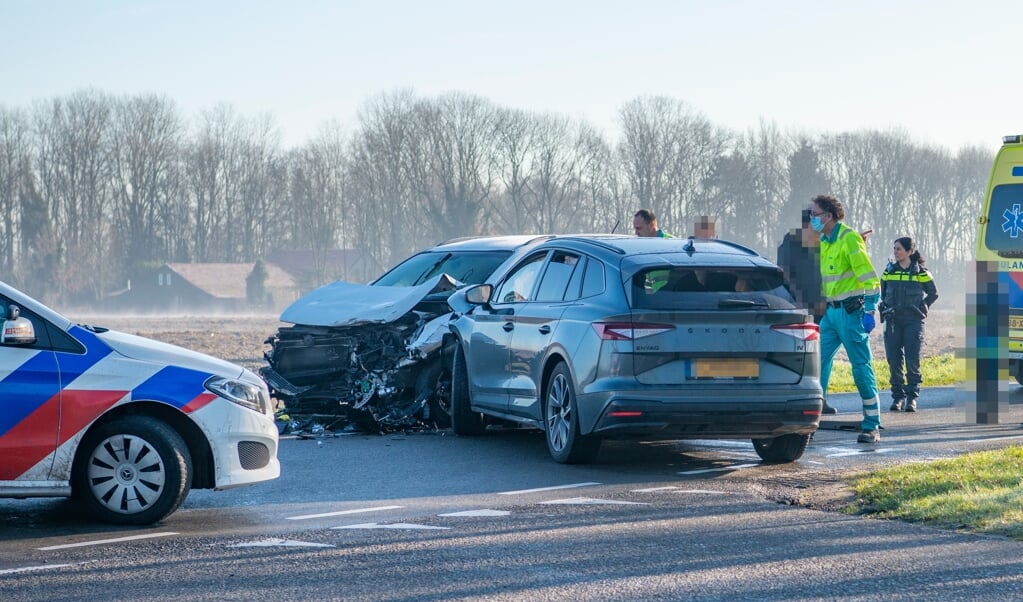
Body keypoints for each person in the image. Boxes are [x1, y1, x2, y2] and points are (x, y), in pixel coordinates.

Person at [811, 194, 882, 444]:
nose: (812, 219)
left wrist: (870, 310)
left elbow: (870, 279)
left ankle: (871, 425)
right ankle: (810, 420)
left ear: (828, 216)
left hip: (851, 314)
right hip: (831, 315)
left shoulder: (848, 238)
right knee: (815, 364)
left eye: (815, 214)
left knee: (861, 368)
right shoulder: (825, 240)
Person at [880, 237, 939, 412]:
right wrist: (884, 307)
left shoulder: (921, 272)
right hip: (893, 321)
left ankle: (912, 398)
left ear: (909, 252)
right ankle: (898, 397)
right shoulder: (889, 270)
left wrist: (925, 305)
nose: (895, 252)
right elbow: (883, 293)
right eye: (894, 248)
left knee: (913, 359)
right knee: (894, 359)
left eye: (898, 249)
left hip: (914, 321)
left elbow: (933, 293)